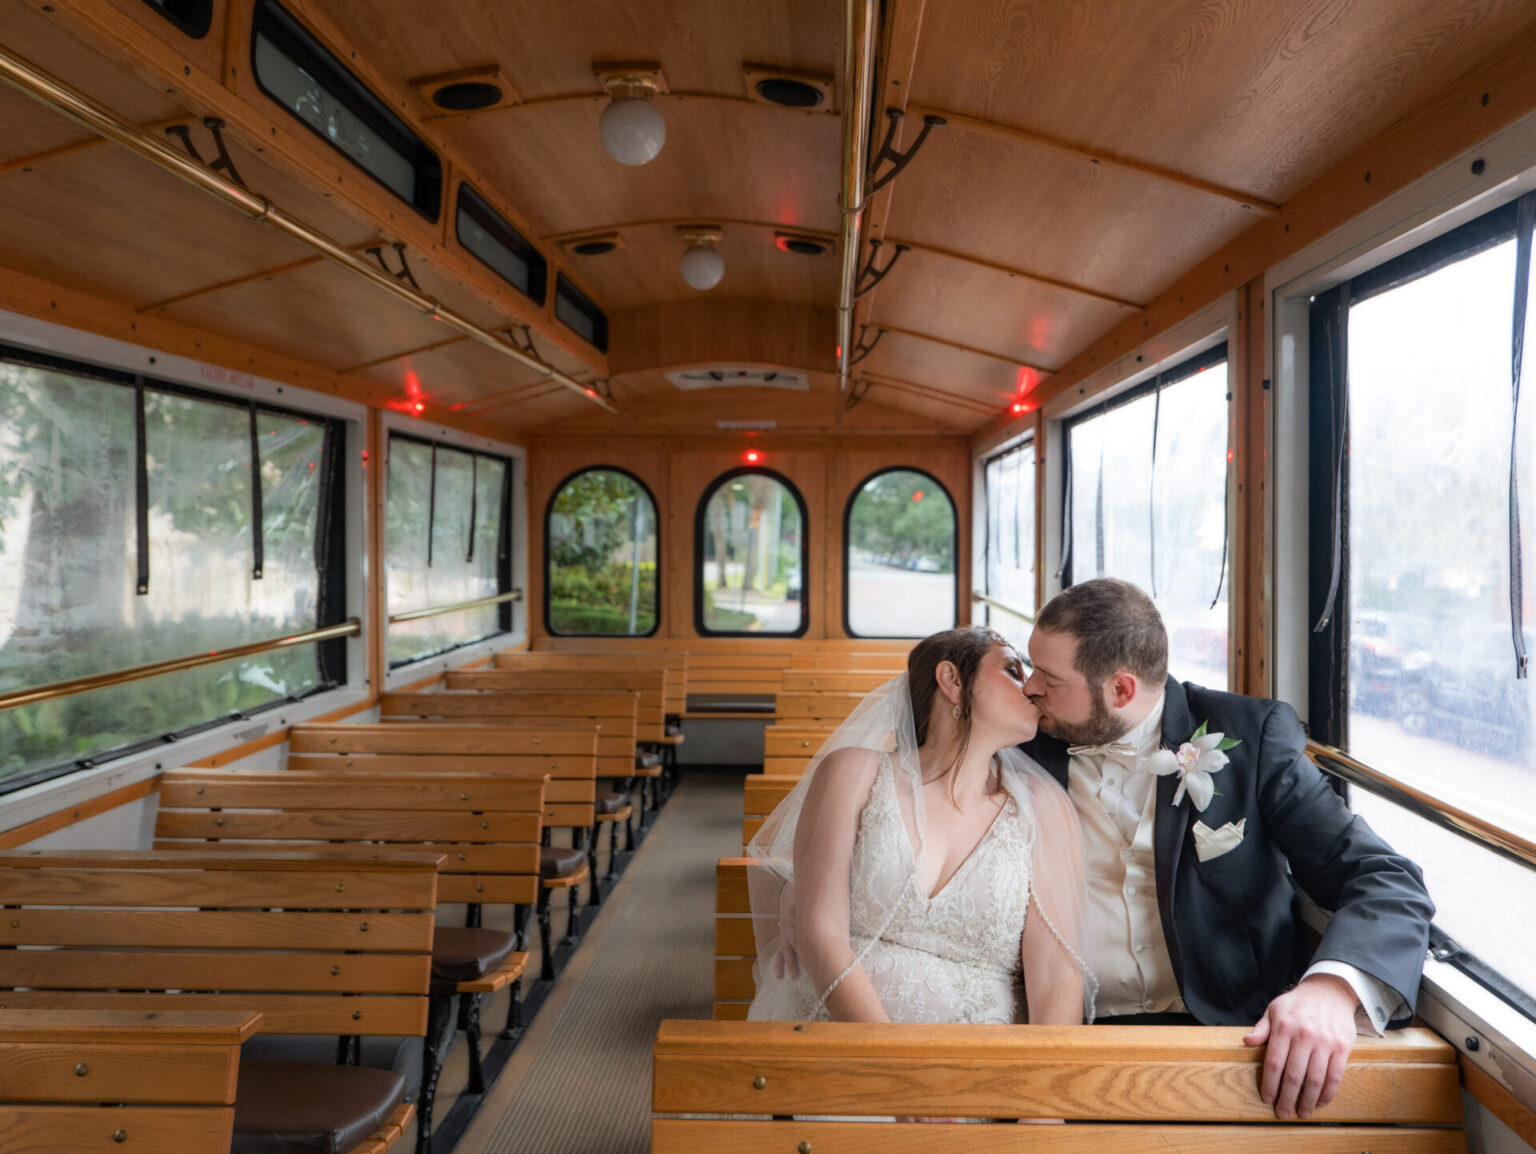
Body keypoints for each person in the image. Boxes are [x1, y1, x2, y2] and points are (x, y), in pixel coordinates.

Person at [1019, 578, 1433, 1121]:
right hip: (1063, 1041)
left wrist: (1331, 990)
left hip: (1228, 1045)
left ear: (1120, 690)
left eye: (1048, 679)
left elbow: (1384, 878)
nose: (1028, 688)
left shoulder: (1251, 736)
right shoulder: (1019, 740)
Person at [747, 625, 1095, 1027]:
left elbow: (1055, 976)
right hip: (838, 1032)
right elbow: (821, 934)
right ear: (951, 681)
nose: (1033, 689)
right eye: (1014, 671)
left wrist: (1037, 1082)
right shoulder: (852, 773)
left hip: (981, 1067)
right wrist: (892, 1060)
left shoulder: (1043, 807)